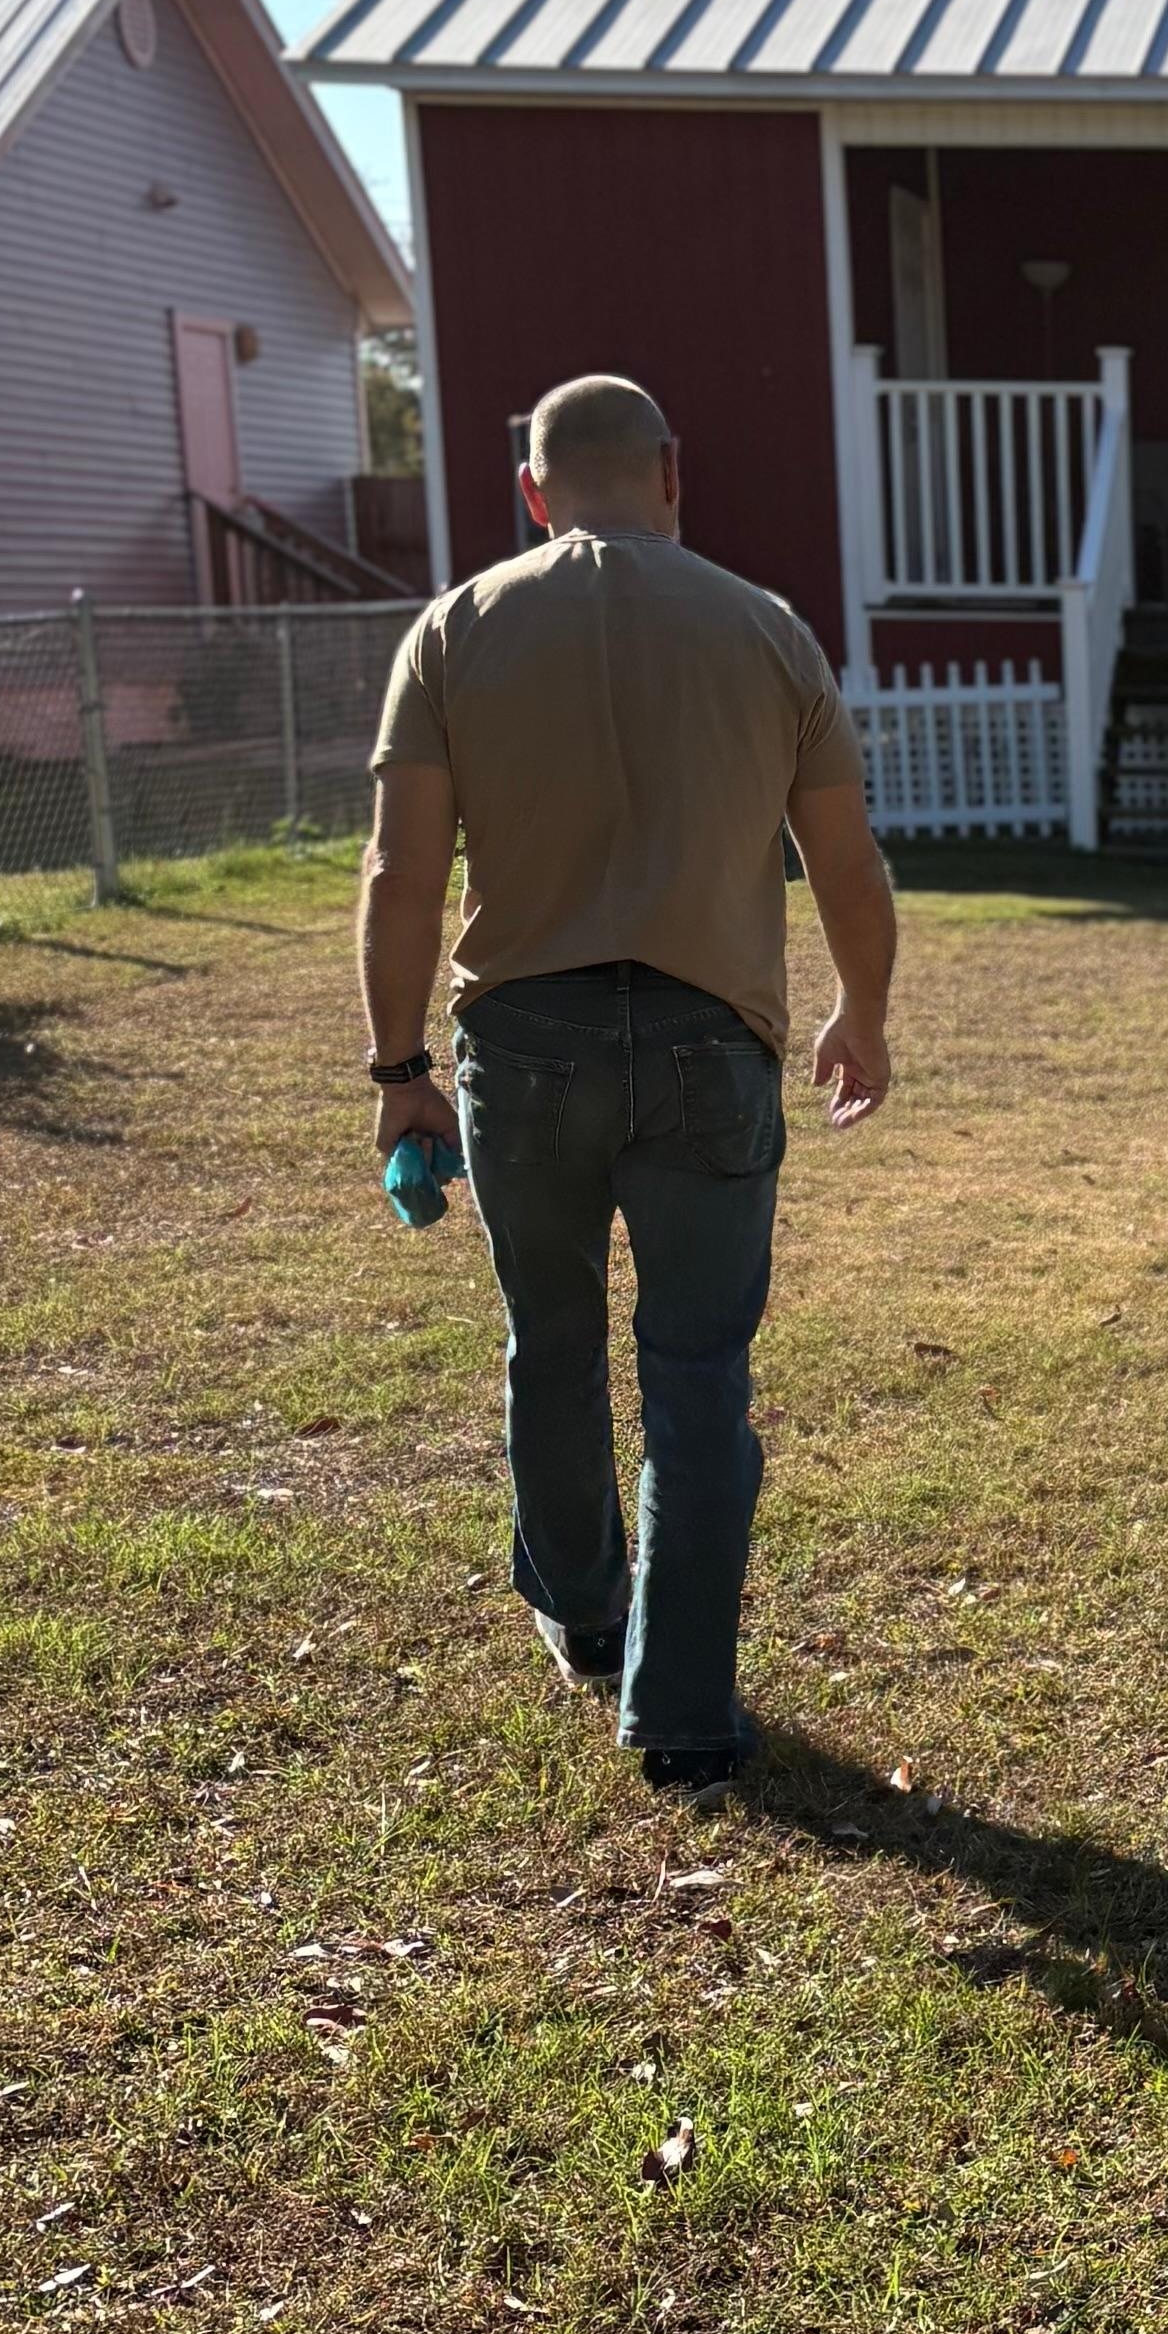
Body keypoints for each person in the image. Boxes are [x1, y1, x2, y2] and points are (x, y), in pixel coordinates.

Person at [355, 372, 896, 1787]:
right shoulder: (766, 631)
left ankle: (588, 1616)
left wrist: (400, 1067)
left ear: (530, 492)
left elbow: (402, 874)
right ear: (672, 470)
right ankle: (685, 1709)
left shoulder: (457, 630)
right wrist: (863, 1011)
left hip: (521, 1049)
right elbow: (846, 863)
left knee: (551, 1337)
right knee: (699, 1378)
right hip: (714, 1043)